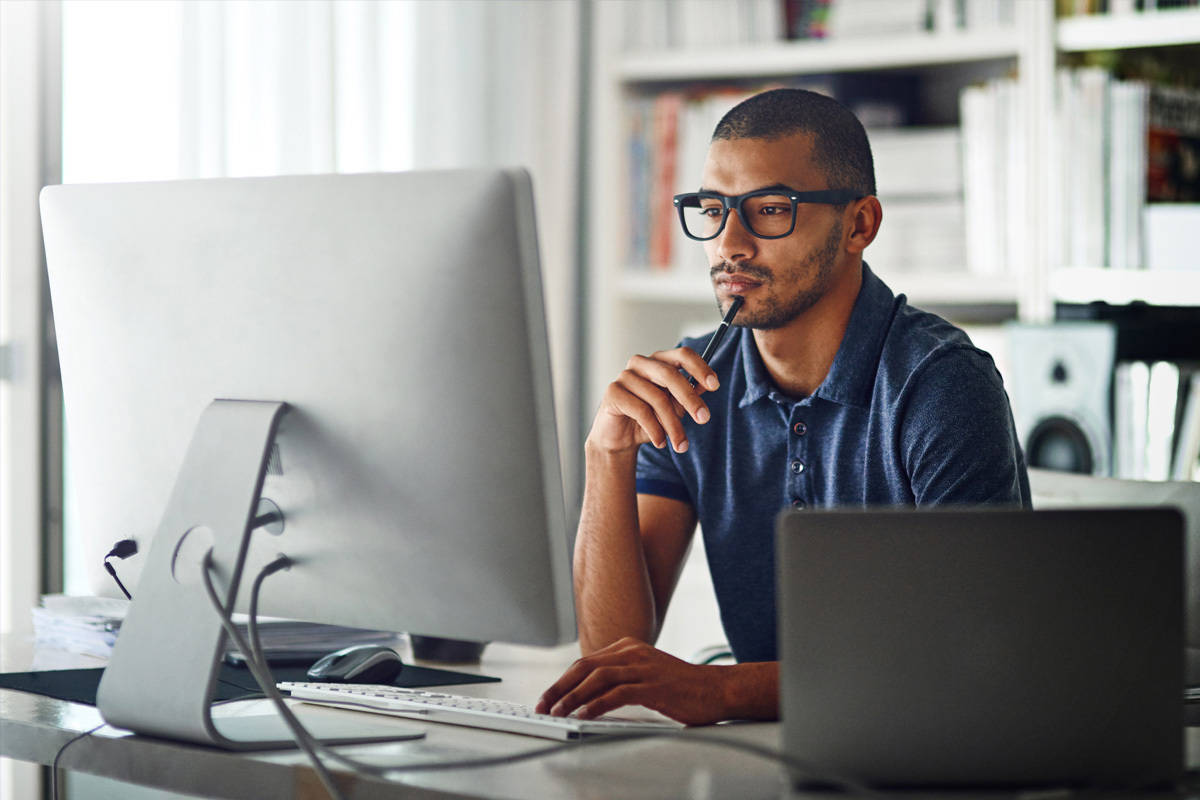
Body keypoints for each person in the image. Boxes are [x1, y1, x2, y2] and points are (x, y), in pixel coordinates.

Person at [536, 88, 1030, 726]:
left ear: (860, 225)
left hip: (921, 756)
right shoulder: (691, 384)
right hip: (765, 759)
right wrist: (606, 453)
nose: (729, 244)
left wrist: (720, 692)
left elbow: (969, 658)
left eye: (770, 209)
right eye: (712, 209)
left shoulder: (941, 385)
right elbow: (611, 657)